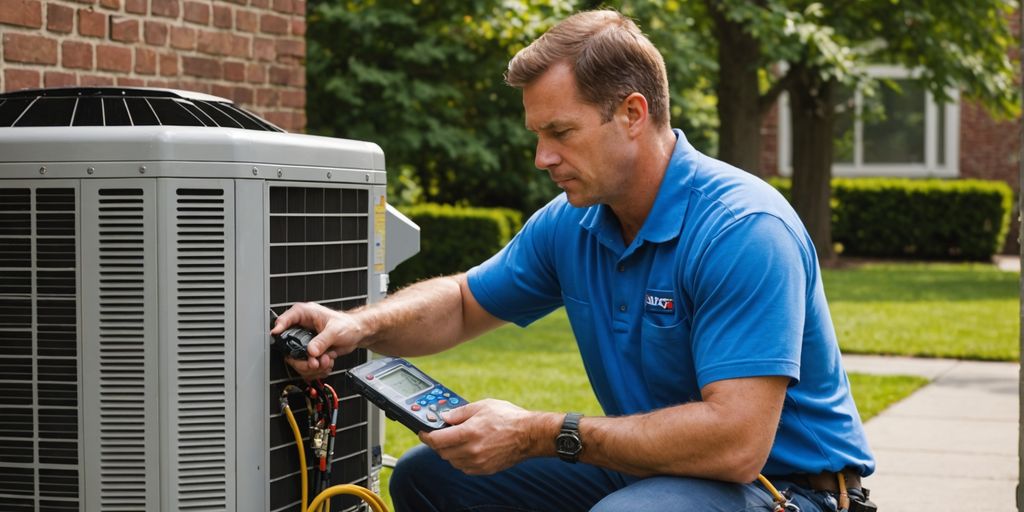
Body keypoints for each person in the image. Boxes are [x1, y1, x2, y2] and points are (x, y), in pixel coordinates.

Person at [271, 9, 875, 512]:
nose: (542, 157)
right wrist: (360, 326)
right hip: (656, 469)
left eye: (561, 132)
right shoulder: (573, 222)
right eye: (538, 134)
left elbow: (735, 444)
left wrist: (537, 433)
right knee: (430, 477)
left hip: (787, 489)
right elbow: (462, 303)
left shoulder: (742, 230)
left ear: (633, 115)